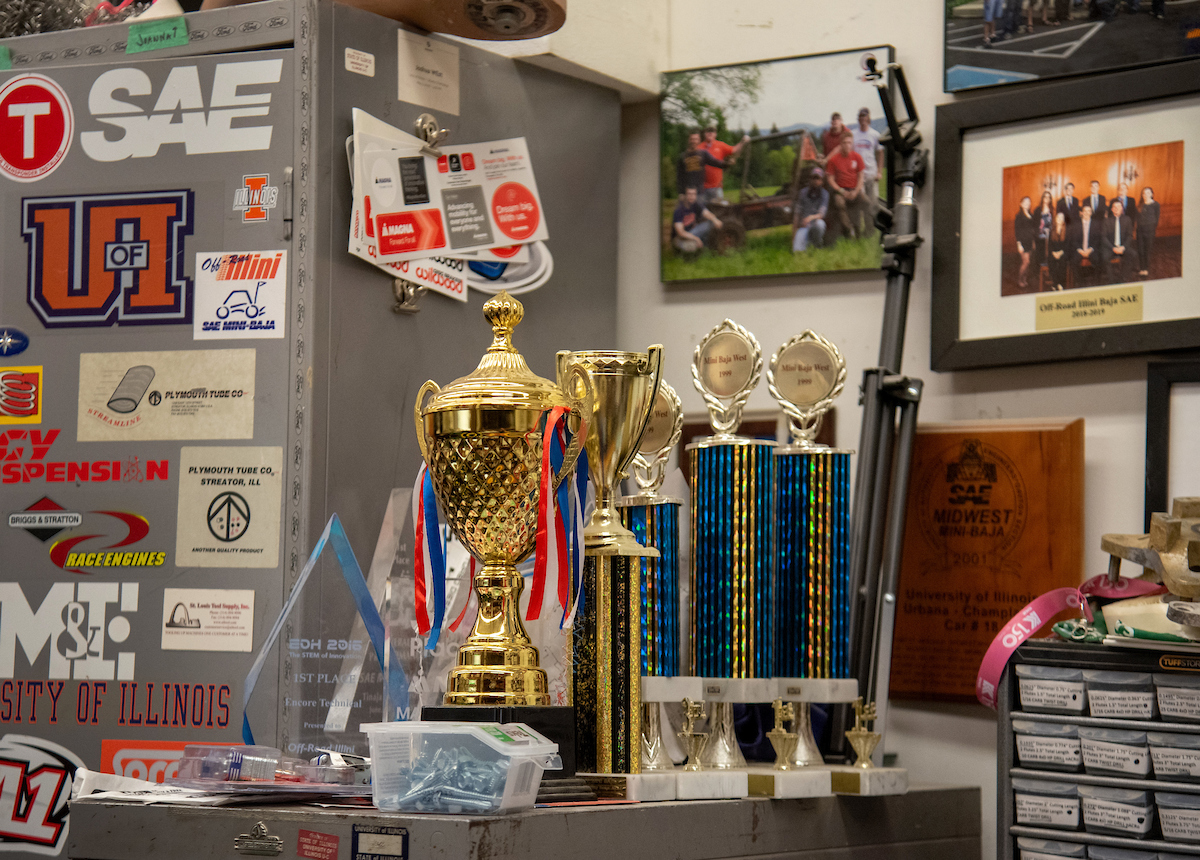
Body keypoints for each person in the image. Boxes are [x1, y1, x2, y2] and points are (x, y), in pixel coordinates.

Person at [825, 131, 869, 241]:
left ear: (852, 143)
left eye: (849, 143)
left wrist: (856, 191)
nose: (847, 145)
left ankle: (867, 229)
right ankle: (848, 228)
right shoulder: (834, 160)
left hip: (855, 188)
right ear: (841, 144)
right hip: (841, 189)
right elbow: (830, 179)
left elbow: (861, 177)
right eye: (844, 143)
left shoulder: (857, 157)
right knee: (839, 203)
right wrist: (840, 191)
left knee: (867, 202)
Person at [698, 125, 750, 207]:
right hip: (701, 188)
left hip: (717, 187)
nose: (710, 133)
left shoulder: (720, 145)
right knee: (701, 213)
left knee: (719, 211)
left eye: (712, 131)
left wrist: (743, 142)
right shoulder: (699, 148)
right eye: (708, 131)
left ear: (715, 134)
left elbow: (734, 150)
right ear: (704, 133)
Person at [676, 131, 729, 199]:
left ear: (699, 140)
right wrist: (681, 193)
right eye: (692, 139)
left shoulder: (703, 154)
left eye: (696, 139)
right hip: (687, 193)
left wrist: (726, 163)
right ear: (688, 140)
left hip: (700, 192)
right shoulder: (682, 157)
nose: (693, 141)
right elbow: (679, 176)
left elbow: (715, 162)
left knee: (702, 209)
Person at [671, 186, 722, 255]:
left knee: (711, 223)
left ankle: (707, 246)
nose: (692, 196)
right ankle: (681, 251)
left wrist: (715, 220)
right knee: (692, 247)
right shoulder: (679, 210)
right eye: (689, 194)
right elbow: (681, 232)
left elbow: (706, 213)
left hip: (693, 231)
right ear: (685, 195)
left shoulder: (695, 204)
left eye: (694, 194)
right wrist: (696, 239)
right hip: (681, 238)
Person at [851, 107, 884, 213]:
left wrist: (879, 172)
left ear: (868, 118)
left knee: (873, 201)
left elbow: (880, 153)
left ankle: (871, 226)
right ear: (858, 119)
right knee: (861, 201)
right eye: (861, 116)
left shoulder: (875, 134)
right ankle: (861, 227)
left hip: (871, 173)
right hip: (858, 174)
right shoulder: (853, 134)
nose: (863, 119)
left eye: (865, 116)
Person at [1101, 198, 1139, 283]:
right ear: (1112, 209)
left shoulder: (1127, 219)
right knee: (1105, 257)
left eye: (1119, 206)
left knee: (1133, 254)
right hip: (1111, 247)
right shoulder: (1106, 221)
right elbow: (1103, 237)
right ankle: (1111, 280)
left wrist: (1123, 247)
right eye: (1114, 207)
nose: (1117, 208)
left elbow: (1130, 236)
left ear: (1122, 208)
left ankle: (1123, 277)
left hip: (1122, 246)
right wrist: (1113, 248)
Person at [792, 168, 829, 253]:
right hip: (804, 226)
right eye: (814, 178)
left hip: (815, 223)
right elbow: (797, 213)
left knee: (820, 224)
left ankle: (817, 245)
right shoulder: (802, 193)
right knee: (797, 251)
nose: (816, 181)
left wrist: (810, 217)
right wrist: (793, 235)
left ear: (822, 181)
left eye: (818, 178)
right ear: (810, 179)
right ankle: (805, 244)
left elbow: (822, 214)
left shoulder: (825, 194)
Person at [1068, 202, 1100, 286]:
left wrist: (1090, 249)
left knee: (1098, 260)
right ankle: (1078, 283)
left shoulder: (1096, 224)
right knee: (1074, 261)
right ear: (1081, 213)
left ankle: (1095, 284)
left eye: (1088, 211)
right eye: (1084, 211)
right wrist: (1080, 250)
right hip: (1079, 250)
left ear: (1091, 213)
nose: (1086, 213)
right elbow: (1073, 240)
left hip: (1091, 250)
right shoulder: (1076, 225)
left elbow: (1097, 240)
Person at [1136, 186, 1160, 278]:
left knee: (1147, 251)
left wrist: (1152, 229)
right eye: (1144, 193)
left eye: (1148, 193)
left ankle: (1146, 269)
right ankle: (1142, 268)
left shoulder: (1156, 205)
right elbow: (1137, 219)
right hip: (1140, 232)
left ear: (1152, 194)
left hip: (1150, 232)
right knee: (1141, 251)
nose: (1145, 195)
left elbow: (1156, 219)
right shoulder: (1140, 205)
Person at [1014, 196, 1037, 290]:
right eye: (1025, 202)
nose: (1028, 204)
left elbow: (1033, 229)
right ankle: (1019, 280)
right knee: (1026, 262)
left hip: (1030, 241)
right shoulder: (1019, 216)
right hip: (1022, 242)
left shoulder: (1031, 214)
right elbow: (1017, 231)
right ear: (1021, 204)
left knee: (1028, 262)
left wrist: (1034, 241)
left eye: (1029, 202)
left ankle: (1024, 279)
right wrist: (1019, 244)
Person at [1048, 212, 1069, 290]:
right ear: (1055, 219)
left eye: (1062, 218)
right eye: (1058, 217)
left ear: (1063, 220)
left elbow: (1067, 244)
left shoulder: (1067, 230)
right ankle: (1055, 283)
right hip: (1053, 252)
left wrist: (1060, 253)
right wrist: (1053, 253)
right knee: (1051, 261)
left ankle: (1060, 283)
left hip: (1063, 252)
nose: (1060, 219)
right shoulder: (1052, 230)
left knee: (1062, 262)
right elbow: (1050, 245)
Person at [1036, 190, 1055, 270]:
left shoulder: (1052, 210)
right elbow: (1035, 224)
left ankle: (1048, 271)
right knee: (1041, 254)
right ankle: (1040, 271)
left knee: (1049, 253)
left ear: (1050, 199)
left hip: (1049, 235)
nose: (1047, 199)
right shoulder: (1038, 210)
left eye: (1049, 197)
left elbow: (1054, 222)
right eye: (1045, 197)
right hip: (1040, 236)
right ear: (1042, 198)